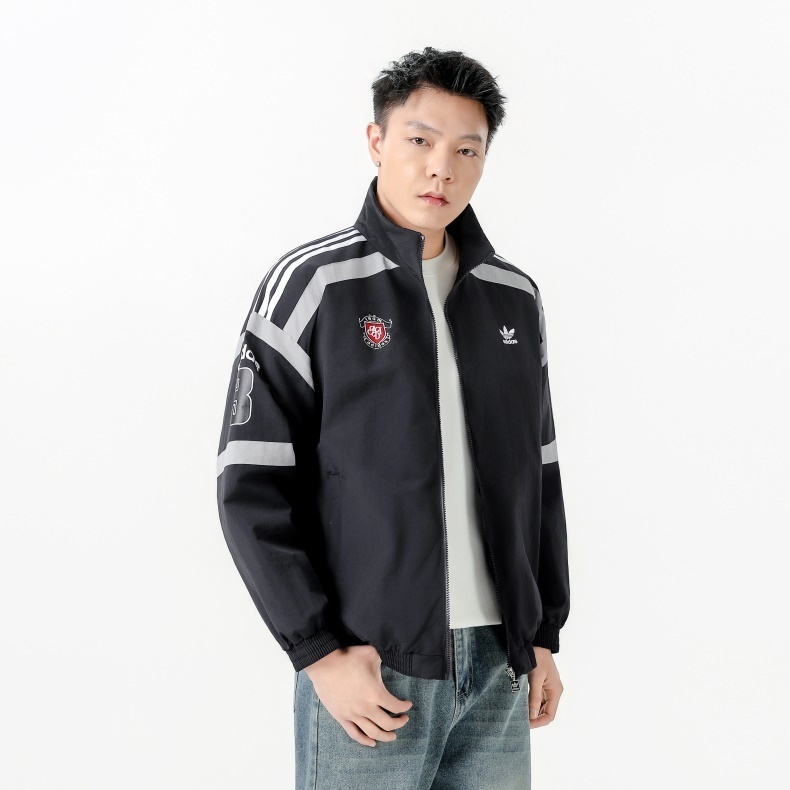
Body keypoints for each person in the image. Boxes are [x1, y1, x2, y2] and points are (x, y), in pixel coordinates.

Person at [216, 46, 570, 789]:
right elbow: (250, 485)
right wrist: (318, 651)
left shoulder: (512, 297)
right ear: (376, 141)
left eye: (467, 149)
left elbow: (539, 478)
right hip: (374, 667)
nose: (442, 168)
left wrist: (541, 635)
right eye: (420, 140)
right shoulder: (313, 285)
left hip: (500, 666)